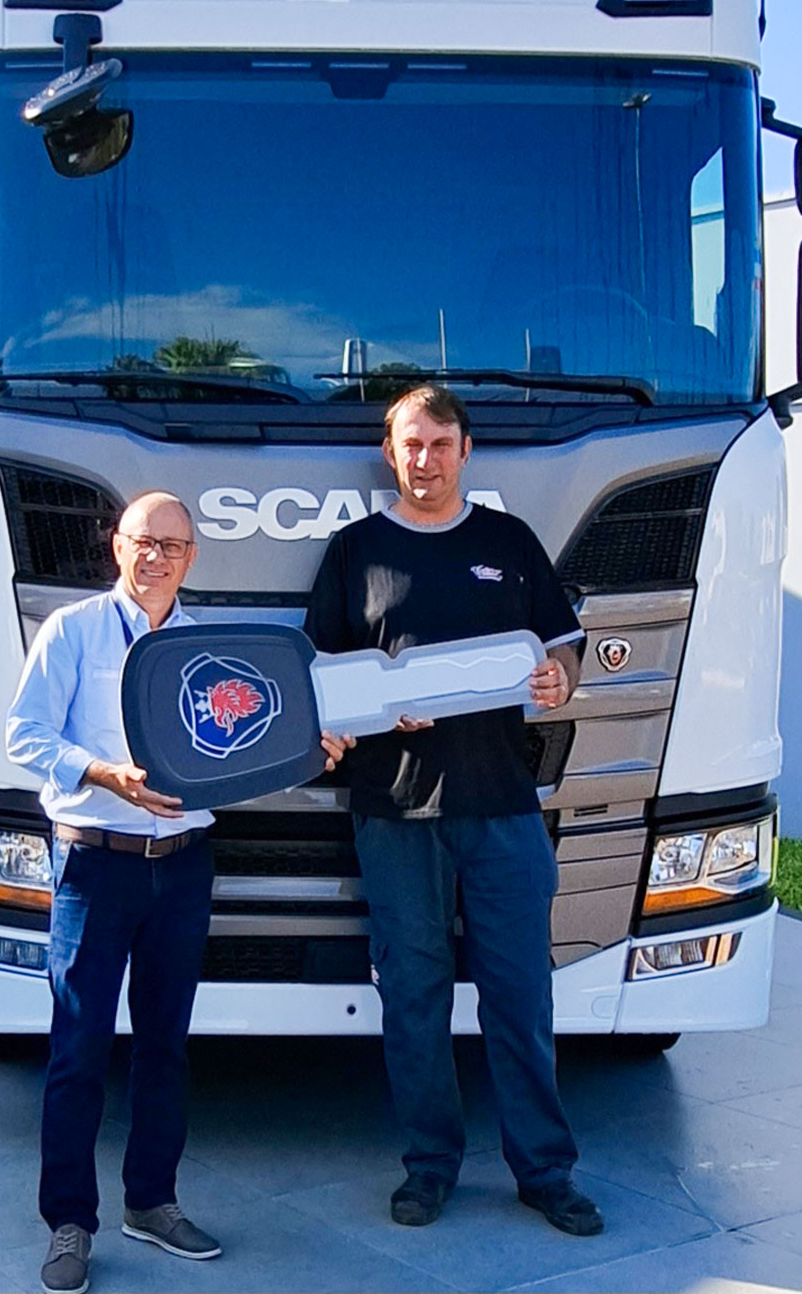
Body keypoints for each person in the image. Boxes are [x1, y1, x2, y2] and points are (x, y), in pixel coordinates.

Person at [7, 490, 347, 1292]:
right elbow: (24, 735)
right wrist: (103, 775)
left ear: (192, 558)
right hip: (96, 862)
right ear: (116, 546)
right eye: (142, 540)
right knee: (79, 1048)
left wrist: (312, 745)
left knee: (165, 1046)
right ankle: (68, 1222)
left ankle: (151, 1202)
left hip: (185, 865)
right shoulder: (73, 631)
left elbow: (248, 737)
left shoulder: (209, 649)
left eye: (172, 545)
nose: (155, 556)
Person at [304, 385, 603, 1237]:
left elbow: (562, 643)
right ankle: (429, 1166)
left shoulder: (507, 541)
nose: (425, 460)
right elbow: (318, 669)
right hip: (395, 809)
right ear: (388, 453)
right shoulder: (356, 550)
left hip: (502, 806)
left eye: (440, 444)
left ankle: (545, 1172)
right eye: (410, 444)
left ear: (466, 451)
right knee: (414, 996)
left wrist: (560, 678)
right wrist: (369, 709)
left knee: (521, 994)